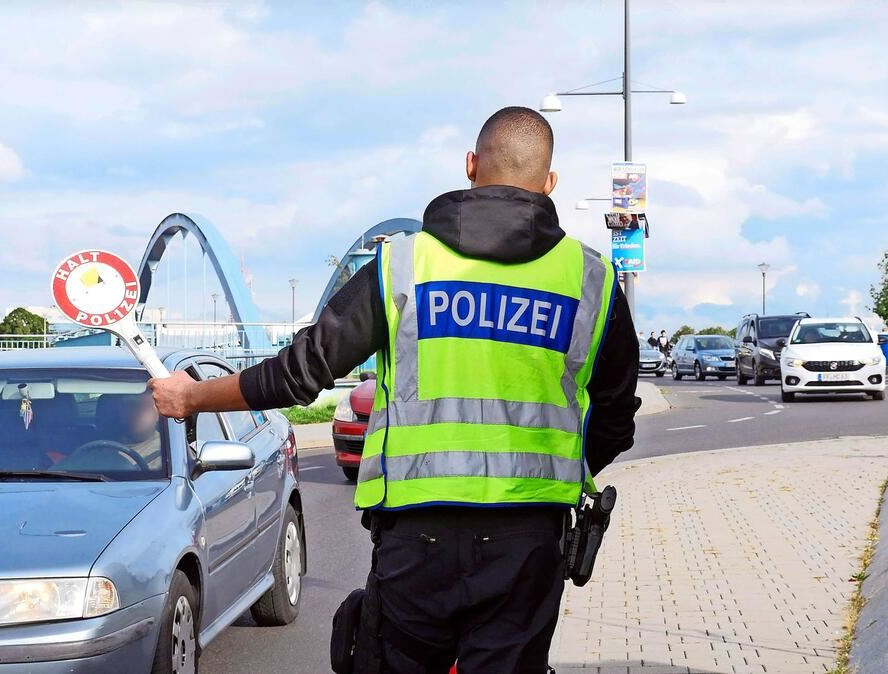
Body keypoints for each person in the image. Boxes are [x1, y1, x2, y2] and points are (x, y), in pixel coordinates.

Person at [149, 106, 640, 672]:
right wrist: (554, 473)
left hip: (416, 539)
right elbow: (615, 421)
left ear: (471, 165)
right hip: (526, 541)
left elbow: (301, 371)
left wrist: (193, 397)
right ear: (550, 184)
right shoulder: (592, 281)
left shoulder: (401, 265)